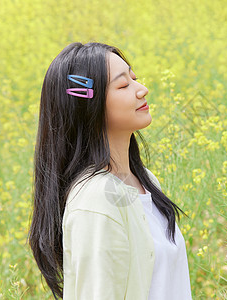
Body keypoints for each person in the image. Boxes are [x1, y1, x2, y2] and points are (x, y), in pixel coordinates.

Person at [28, 42, 192, 299]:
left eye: (134, 78)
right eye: (123, 85)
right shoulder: (95, 198)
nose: (142, 90)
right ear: (87, 106)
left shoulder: (146, 181)